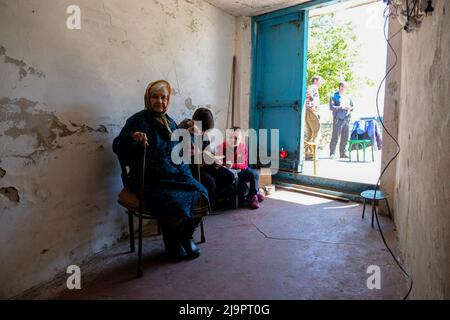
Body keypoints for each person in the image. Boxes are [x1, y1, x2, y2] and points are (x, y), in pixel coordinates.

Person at [112, 80, 209, 261]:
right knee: (174, 201)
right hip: (149, 177)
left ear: (168, 100)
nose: (159, 101)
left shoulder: (170, 122)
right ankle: (171, 239)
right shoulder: (138, 120)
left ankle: (185, 236)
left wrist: (192, 135)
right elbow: (117, 146)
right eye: (155, 97)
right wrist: (133, 137)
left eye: (163, 97)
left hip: (173, 173)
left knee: (202, 192)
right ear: (148, 98)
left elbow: (177, 149)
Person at [179, 108, 235, 209]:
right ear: (193, 122)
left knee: (229, 176)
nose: (204, 133)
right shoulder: (181, 131)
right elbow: (181, 159)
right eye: (203, 130)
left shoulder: (203, 132)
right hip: (191, 168)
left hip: (204, 165)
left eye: (206, 131)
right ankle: (202, 205)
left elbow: (208, 151)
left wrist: (215, 160)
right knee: (209, 182)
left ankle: (208, 201)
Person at [220, 127, 265, 209]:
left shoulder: (242, 147)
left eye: (236, 138)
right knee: (242, 190)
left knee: (254, 174)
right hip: (231, 173)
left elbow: (244, 165)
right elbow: (219, 162)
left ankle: (253, 196)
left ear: (241, 139)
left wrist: (233, 165)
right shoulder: (222, 146)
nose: (233, 140)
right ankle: (255, 195)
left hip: (242, 170)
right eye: (230, 137)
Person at [329, 81, 354, 159]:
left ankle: (343, 153)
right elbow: (331, 107)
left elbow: (352, 106)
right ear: (340, 87)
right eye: (345, 87)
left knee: (345, 137)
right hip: (338, 119)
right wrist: (342, 107)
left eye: (346, 87)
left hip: (347, 119)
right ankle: (332, 153)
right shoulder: (333, 96)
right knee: (335, 136)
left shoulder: (348, 97)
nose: (346, 88)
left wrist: (350, 108)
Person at [305, 76, 322, 143]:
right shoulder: (313, 87)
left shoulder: (312, 87)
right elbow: (308, 92)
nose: (321, 83)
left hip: (308, 111)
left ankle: (308, 152)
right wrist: (312, 106)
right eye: (320, 81)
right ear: (315, 80)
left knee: (310, 134)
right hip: (312, 112)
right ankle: (312, 153)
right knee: (316, 133)